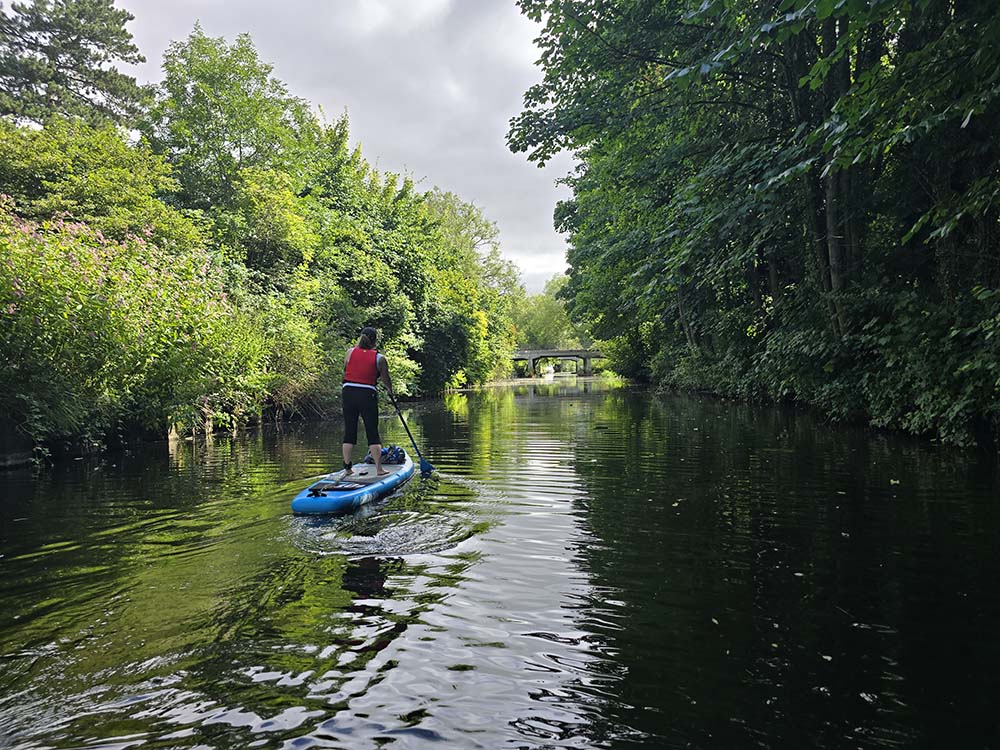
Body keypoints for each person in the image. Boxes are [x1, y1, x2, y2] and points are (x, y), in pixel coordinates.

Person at [342, 326, 393, 476]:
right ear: (374, 341)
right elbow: (386, 380)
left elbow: (345, 371)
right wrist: (390, 391)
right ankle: (379, 469)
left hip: (348, 392)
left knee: (349, 431)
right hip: (367, 394)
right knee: (372, 431)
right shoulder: (380, 358)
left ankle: (347, 468)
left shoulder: (349, 352)